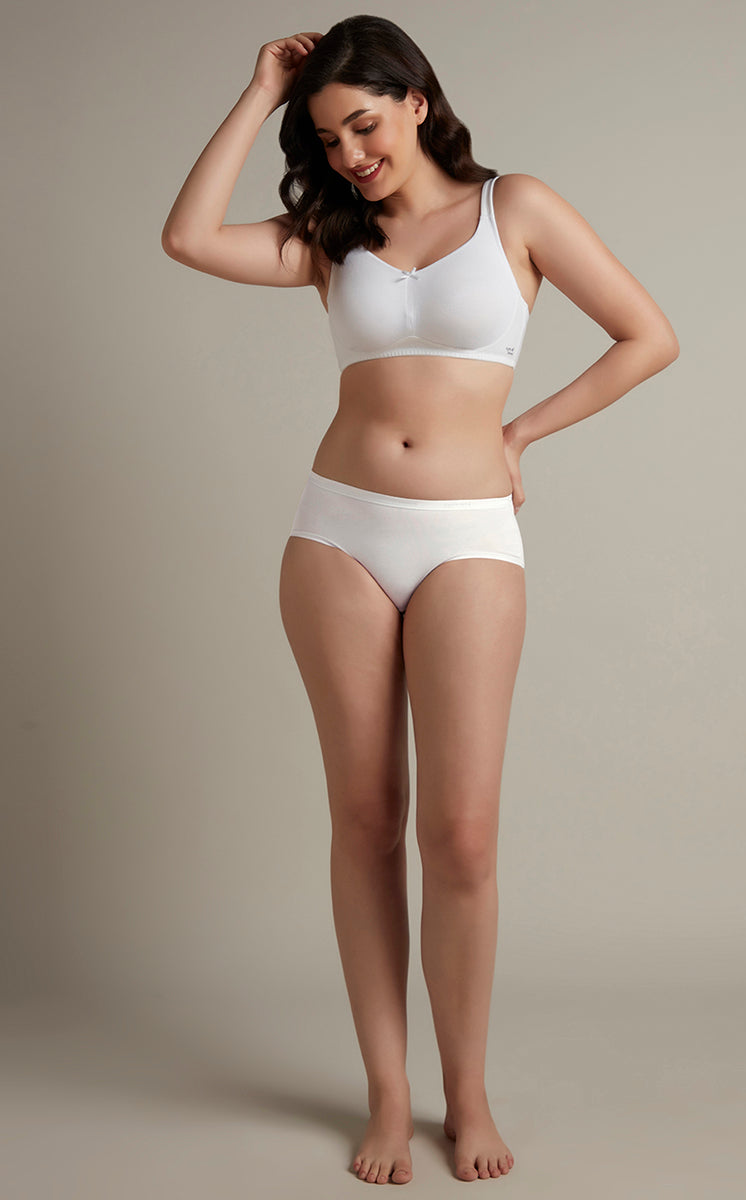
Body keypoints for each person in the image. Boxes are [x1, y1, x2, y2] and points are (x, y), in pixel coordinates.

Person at [161, 14, 679, 1186]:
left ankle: (468, 1093)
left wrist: (518, 433)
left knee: (461, 836)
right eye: (325, 138)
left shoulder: (515, 210)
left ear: (415, 100)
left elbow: (647, 336)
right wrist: (258, 95)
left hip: (465, 536)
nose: (348, 155)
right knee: (361, 821)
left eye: (363, 124)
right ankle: (388, 1098)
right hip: (336, 533)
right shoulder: (330, 237)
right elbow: (186, 238)